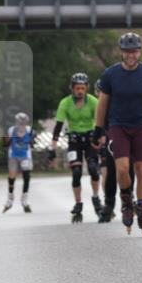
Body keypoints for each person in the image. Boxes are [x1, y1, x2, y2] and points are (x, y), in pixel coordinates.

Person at [93, 32, 142, 236]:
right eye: (127, 51)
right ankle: (127, 201)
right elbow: (102, 104)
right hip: (118, 126)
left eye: (134, 51)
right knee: (121, 168)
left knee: (141, 170)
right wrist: (98, 129)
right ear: (122, 52)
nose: (131, 55)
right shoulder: (110, 74)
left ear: (140, 52)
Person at [49, 73, 101, 223]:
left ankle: (96, 197)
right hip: (74, 140)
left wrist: (101, 140)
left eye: (83, 88)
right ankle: (78, 203)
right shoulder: (65, 103)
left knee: (92, 168)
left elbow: (99, 123)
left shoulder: (93, 101)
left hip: (91, 138)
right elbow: (58, 127)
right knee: (76, 172)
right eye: (77, 88)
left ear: (87, 89)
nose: (80, 91)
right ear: (72, 89)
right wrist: (53, 147)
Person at [94, 79, 134, 223]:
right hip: (108, 139)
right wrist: (101, 136)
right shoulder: (99, 106)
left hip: (124, 136)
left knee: (127, 167)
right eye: (100, 92)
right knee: (110, 171)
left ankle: (129, 196)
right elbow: (100, 124)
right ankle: (109, 204)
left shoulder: (118, 103)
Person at [3, 112, 34, 213]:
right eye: (20, 122)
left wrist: (31, 139)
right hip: (13, 156)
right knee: (12, 177)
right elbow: (6, 144)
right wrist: (7, 139)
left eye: (23, 122)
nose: (22, 124)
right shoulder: (11, 130)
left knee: (27, 176)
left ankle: (24, 199)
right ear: (16, 122)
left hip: (25, 156)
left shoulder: (29, 130)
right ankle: (10, 198)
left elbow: (33, 143)